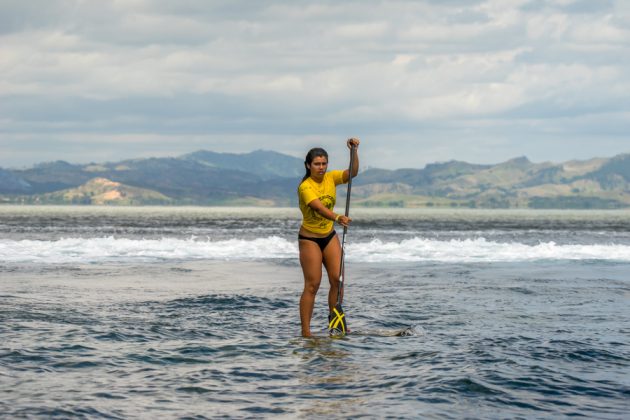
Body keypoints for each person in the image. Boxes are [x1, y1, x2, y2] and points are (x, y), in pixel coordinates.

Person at [297, 138, 360, 337]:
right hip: (310, 239)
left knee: (337, 280)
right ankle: (306, 332)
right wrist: (337, 217)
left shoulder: (331, 178)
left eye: (324, 164)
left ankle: (336, 322)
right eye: (317, 164)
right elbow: (318, 207)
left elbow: (352, 174)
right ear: (309, 165)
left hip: (329, 235)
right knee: (313, 284)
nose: (321, 167)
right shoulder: (305, 187)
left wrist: (354, 151)